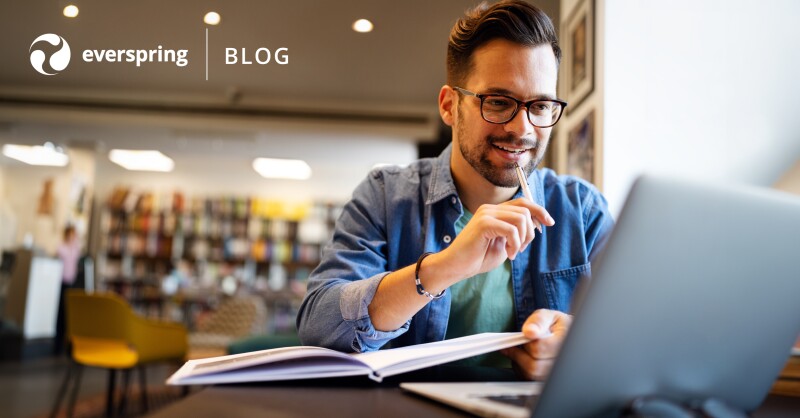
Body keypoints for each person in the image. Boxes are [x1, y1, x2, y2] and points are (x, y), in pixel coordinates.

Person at [296, 0, 614, 380]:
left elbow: (638, 335)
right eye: (498, 102)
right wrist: (442, 268)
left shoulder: (583, 210)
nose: (523, 129)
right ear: (450, 106)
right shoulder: (384, 196)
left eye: (541, 105)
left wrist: (576, 346)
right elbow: (318, 325)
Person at [54, 224, 81, 355]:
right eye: (72, 234)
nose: (74, 237)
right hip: (61, 284)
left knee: (68, 314)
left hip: (71, 284)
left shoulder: (75, 249)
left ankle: (65, 343)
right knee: (60, 313)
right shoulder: (61, 248)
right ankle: (57, 344)